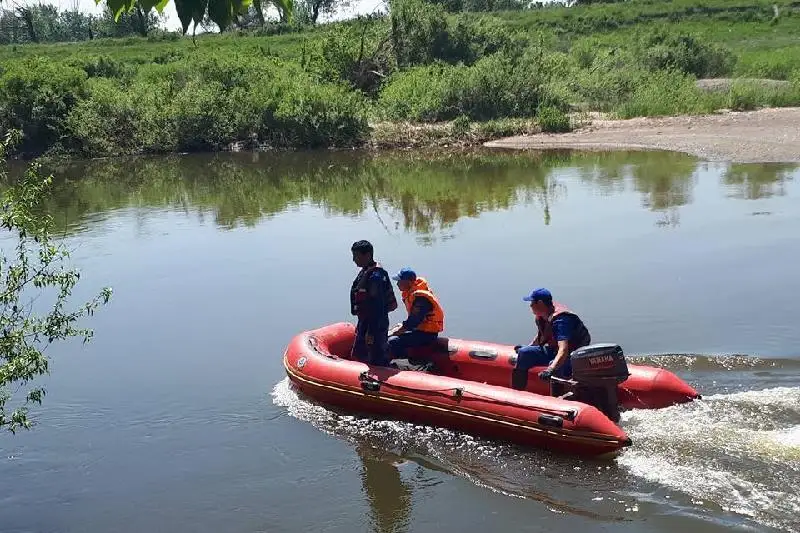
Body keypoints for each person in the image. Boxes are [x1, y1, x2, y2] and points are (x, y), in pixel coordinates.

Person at [511, 288, 591, 391]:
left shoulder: (561, 320)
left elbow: (563, 349)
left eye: (532, 303)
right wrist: (529, 347)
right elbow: (542, 335)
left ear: (540, 303)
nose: (530, 306)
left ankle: (558, 398)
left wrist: (550, 369)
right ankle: (517, 392)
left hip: (573, 357)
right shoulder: (544, 315)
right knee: (524, 352)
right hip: (555, 351)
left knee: (555, 366)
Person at [350, 240, 398, 366]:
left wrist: (370, 331)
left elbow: (378, 306)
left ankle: (384, 377)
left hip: (375, 324)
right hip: (367, 321)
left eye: (356, 256)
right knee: (360, 353)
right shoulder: (367, 271)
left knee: (375, 356)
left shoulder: (375, 277)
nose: (354, 260)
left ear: (367, 255)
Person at [387, 268, 445, 361]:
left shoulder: (421, 299)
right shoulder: (412, 293)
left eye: (399, 281)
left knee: (392, 341)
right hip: (420, 330)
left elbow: (414, 321)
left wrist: (397, 331)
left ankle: (400, 364)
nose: (397, 284)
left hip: (427, 334)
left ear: (408, 282)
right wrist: (400, 327)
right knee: (394, 333)